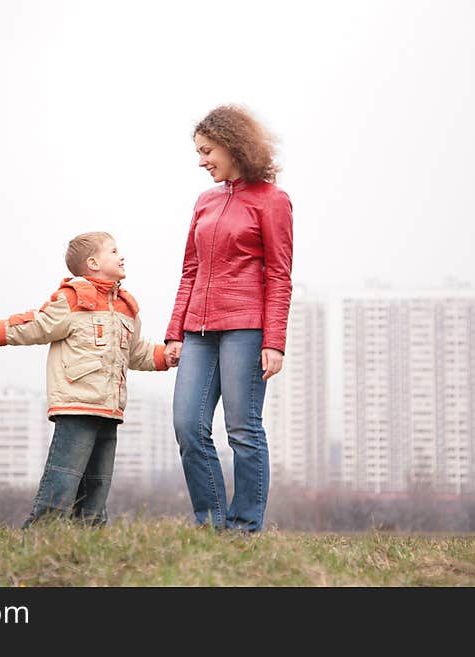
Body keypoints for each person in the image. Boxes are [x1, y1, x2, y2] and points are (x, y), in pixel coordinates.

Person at [164, 105, 294, 533]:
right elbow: (189, 270)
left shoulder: (273, 201)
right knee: (188, 425)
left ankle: (244, 528)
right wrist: (174, 333)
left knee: (242, 429)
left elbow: (278, 275)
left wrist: (274, 341)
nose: (201, 161)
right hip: (198, 331)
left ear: (233, 146)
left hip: (246, 328)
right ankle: (211, 522)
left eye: (207, 151)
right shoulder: (205, 201)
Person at [0, 232, 169, 526]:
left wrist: (165, 356)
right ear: (93, 263)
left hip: (110, 409)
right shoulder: (72, 299)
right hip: (76, 404)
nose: (121, 256)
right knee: (64, 475)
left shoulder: (127, 308)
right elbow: (37, 324)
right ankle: (41, 531)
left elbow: (136, 352)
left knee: (98, 480)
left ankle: (89, 532)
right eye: (114, 251)